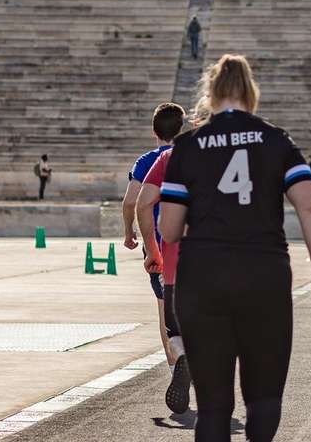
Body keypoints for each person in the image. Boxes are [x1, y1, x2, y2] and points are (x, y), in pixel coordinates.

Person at [156, 54, 311, 442]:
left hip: (203, 277)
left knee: (213, 408)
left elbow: (169, 230)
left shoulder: (187, 146)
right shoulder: (276, 139)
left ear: (211, 92)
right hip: (264, 274)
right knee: (264, 398)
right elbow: (310, 208)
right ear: (251, 91)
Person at [122, 103, 187, 413]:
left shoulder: (148, 161)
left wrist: (129, 233)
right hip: (195, 245)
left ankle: (176, 367)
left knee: (165, 310)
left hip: (159, 246)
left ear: (153, 130)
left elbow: (132, 202)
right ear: (182, 128)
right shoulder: (190, 157)